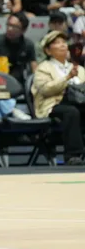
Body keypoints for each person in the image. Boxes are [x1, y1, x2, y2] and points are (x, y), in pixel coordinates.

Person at [32, 30, 85, 165]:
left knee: (78, 110)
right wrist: (67, 78)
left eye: (64, 42)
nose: (62, 45)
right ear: (48, 51)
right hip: (54, 104)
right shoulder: (43, 68)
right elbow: (45, 89)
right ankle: (73, 155)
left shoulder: (78, 68)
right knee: (71, 112)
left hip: (78, 102)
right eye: (57, 43)